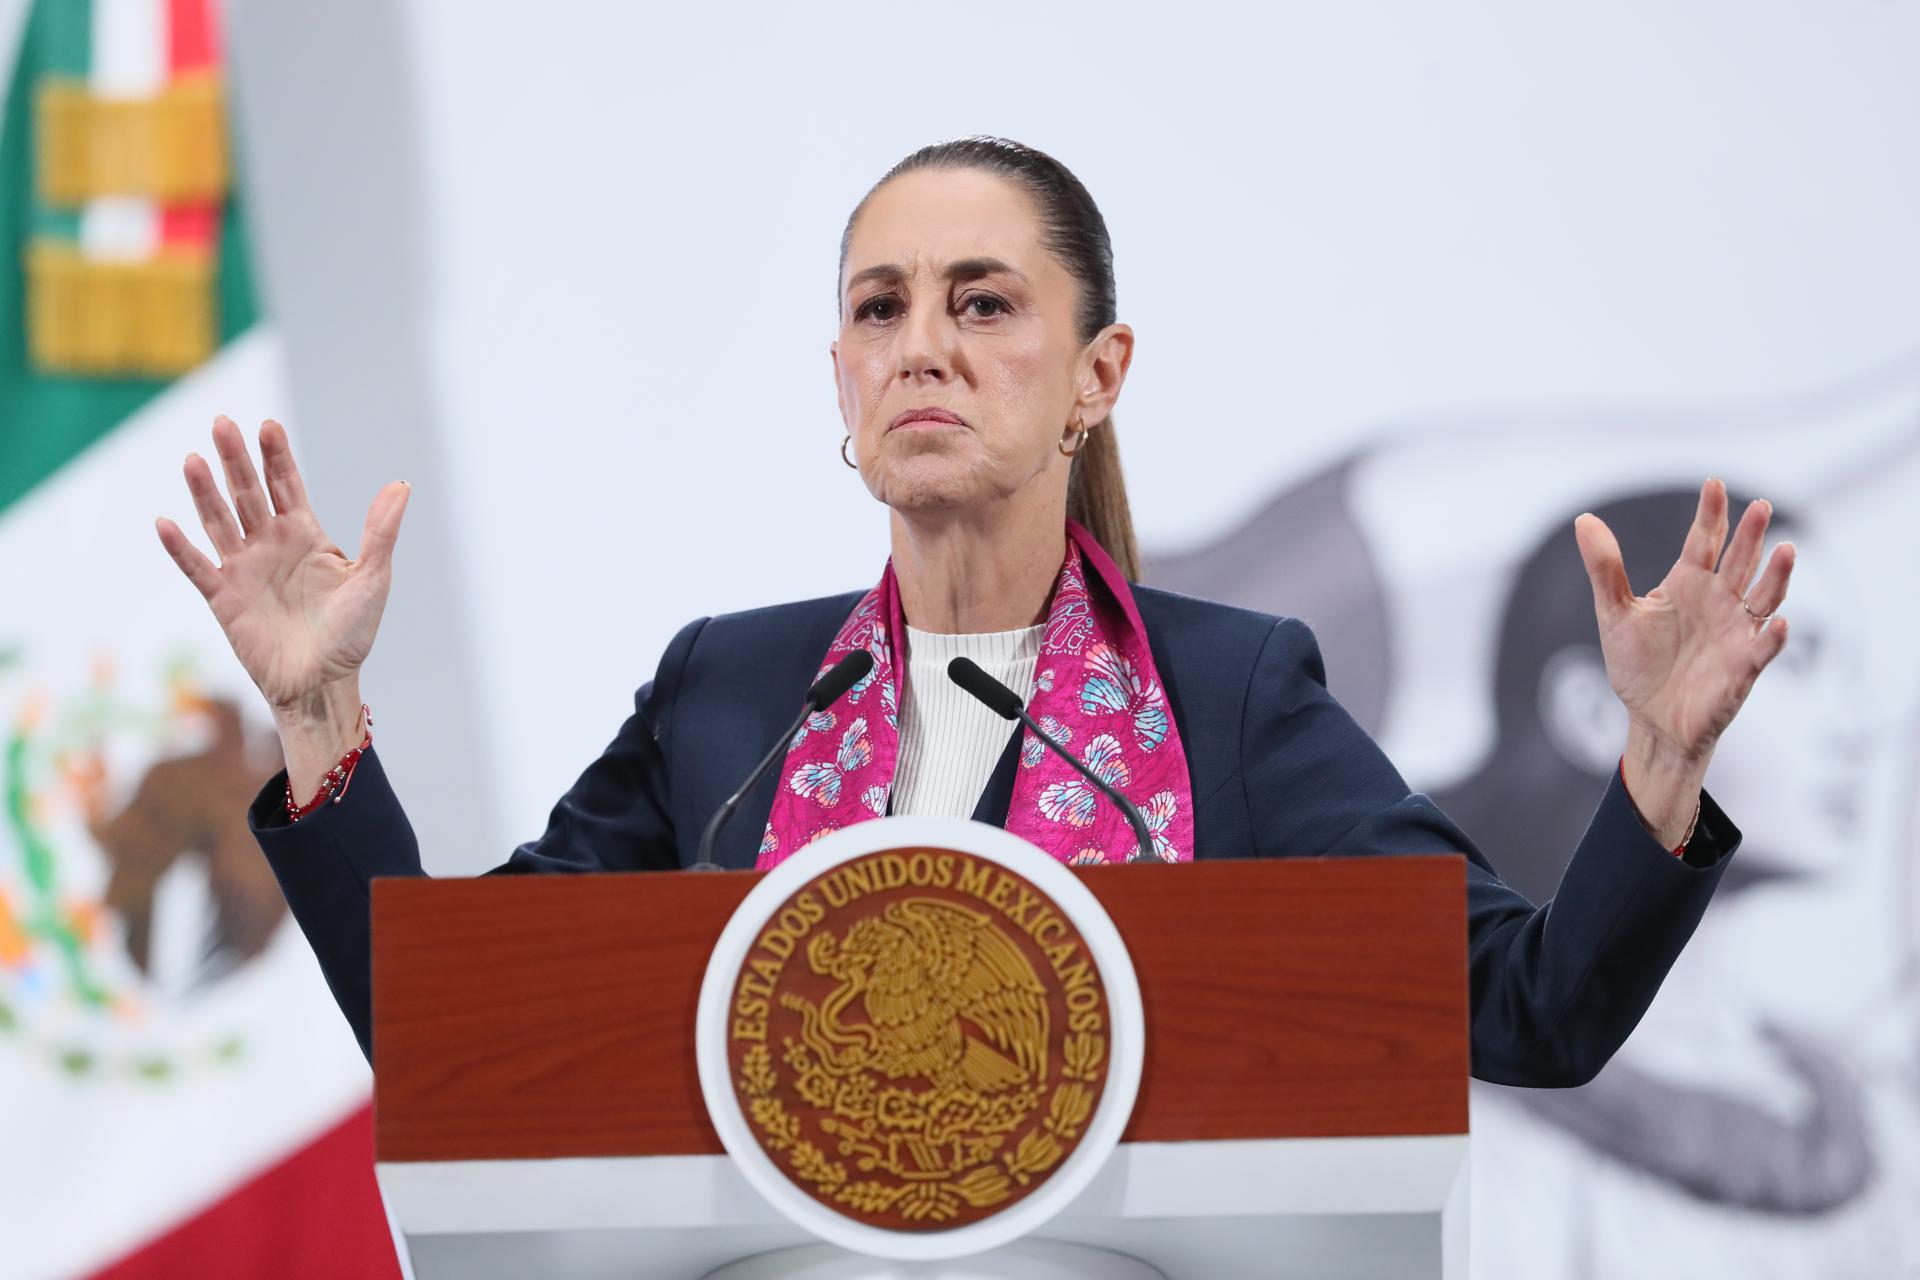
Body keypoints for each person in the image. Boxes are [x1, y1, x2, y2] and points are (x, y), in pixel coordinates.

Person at [156, 136, 1797, 1075]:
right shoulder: (725, 699)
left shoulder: (1229, 698)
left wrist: (1653, 762)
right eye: (882, 308)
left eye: (983, 302)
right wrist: (317, 718)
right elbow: (458, 1030)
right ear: (844, 374)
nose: (922, 343)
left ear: (1098, 376)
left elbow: (1532, 1012)